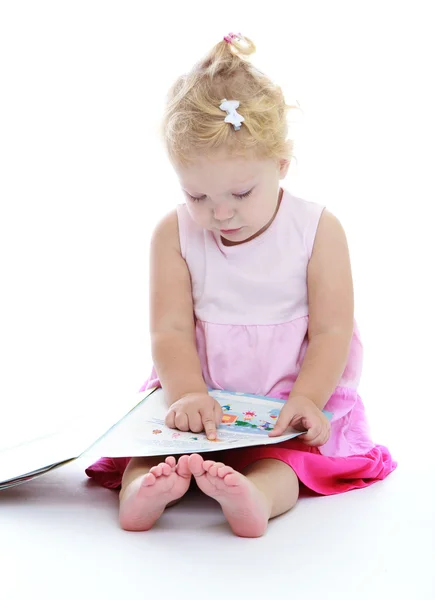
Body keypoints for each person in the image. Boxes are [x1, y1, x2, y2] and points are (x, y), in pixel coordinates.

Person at [85, 32, 397, 537]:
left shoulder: (317, 228)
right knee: (154, 444)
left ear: (280, 166)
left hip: (289, 393)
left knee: (290, 461)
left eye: (240, 192)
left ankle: (256, 496)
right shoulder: (174, 232)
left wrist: (309, 398)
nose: (220, 212)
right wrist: (186, 393)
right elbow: (169, 329)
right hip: (198, 387)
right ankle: (144, 490)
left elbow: (333, 330)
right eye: (197, 195)